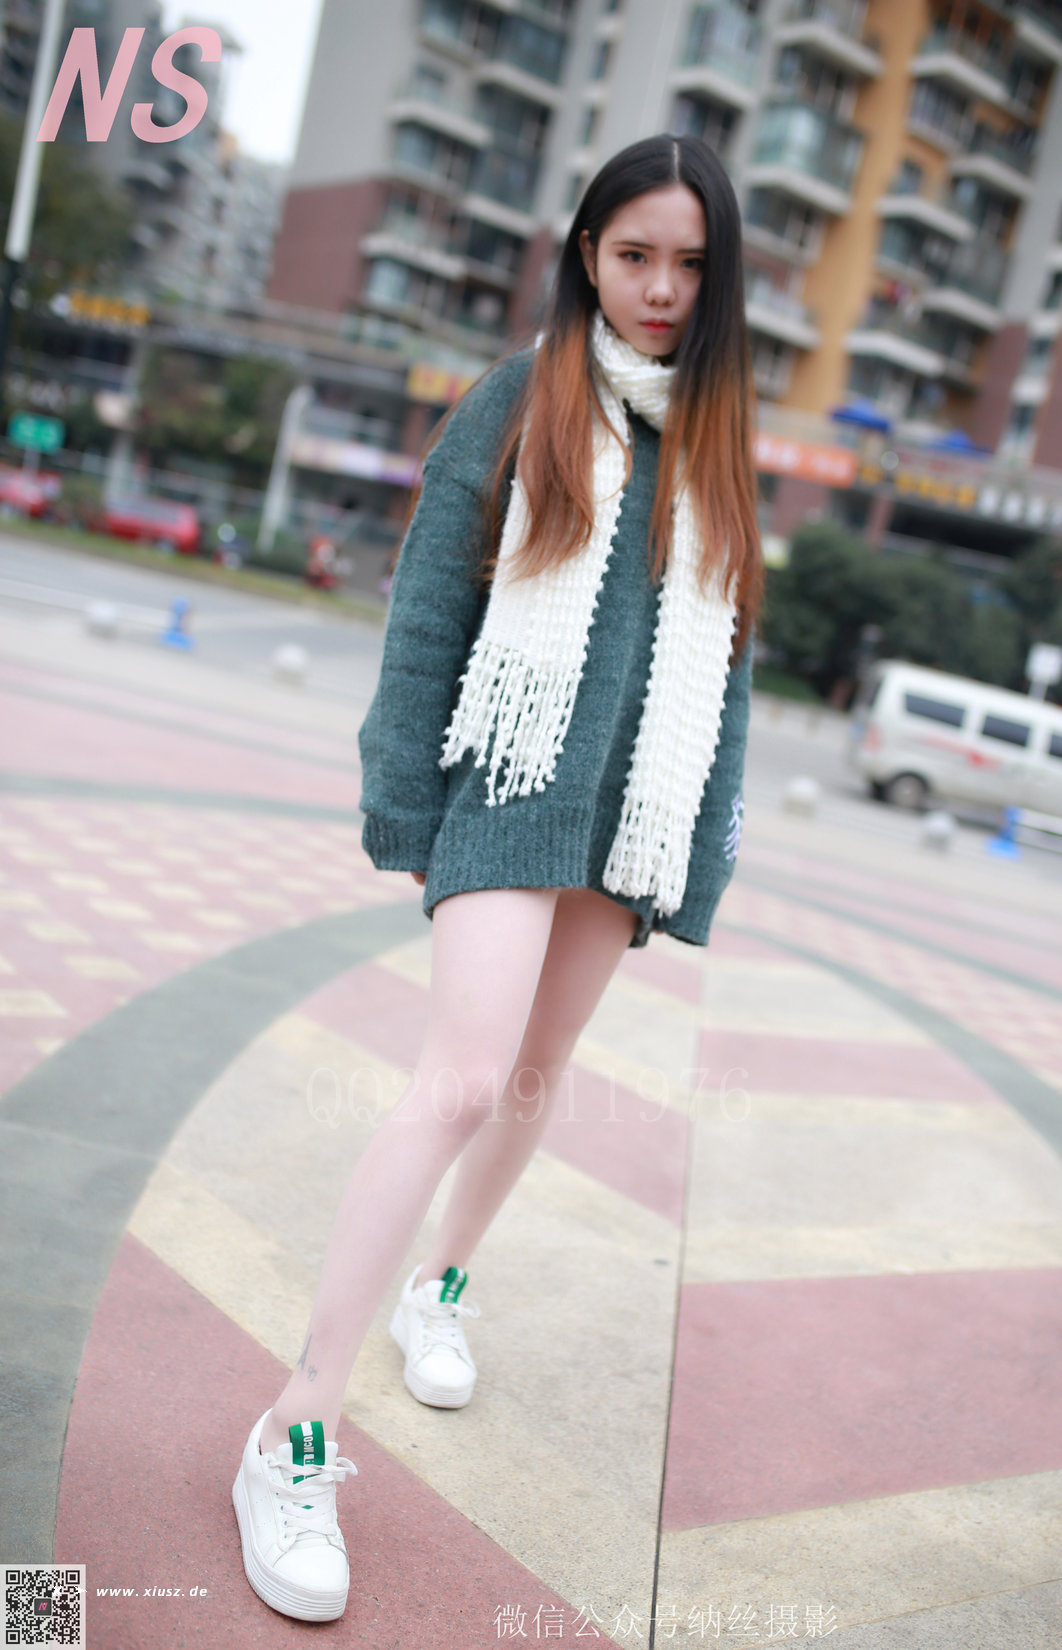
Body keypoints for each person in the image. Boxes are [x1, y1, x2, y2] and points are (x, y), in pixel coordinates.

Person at [232, 132, 763, 1622]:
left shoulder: (718, 444)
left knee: (537, 1073)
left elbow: (725, 674)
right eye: (635, 254)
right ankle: (293, 1425)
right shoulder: (520, 400)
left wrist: (693, 858)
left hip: (622, 816)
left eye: (690, 265)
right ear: (587, 254)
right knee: (461, 1078)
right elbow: (425, 611)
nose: (660, 288)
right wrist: (404, 795)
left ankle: (440, 1285)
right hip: (508, 778)